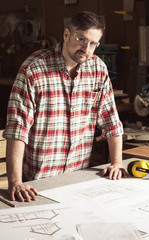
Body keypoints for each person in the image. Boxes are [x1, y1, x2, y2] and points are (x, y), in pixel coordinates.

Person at [3, 11, 127, 202]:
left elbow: (111, 121)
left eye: (93, 43)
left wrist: (117, 163)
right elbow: (17, 129)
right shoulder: (33, 69)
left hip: (78, 179)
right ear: (66, 35)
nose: (86, 48)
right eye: (81, 39)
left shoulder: (98, 69)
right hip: (38, 182)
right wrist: (15, 182)